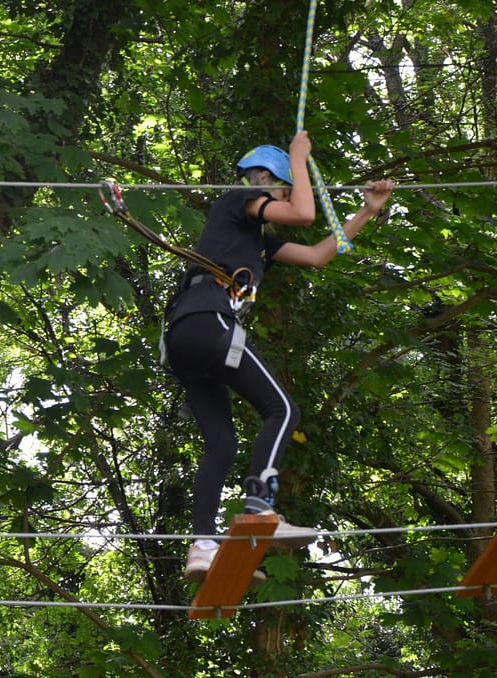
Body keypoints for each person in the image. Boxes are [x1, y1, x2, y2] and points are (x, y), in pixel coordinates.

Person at [159, 131, 395, 583]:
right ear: (268, 181)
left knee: (222, 444)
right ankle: (260, 503)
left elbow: (318, 254)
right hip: (209, 322)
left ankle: (202, 547)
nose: (287, 198)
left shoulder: (252, 238)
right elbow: (304, 214)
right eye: (284, 188)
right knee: (283, 408)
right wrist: (300, 158)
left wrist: (367, 210)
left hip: (187, 337)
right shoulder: (242, 197)